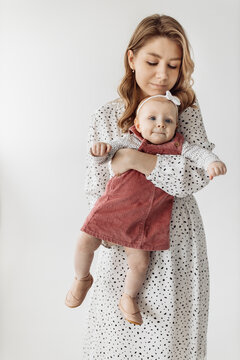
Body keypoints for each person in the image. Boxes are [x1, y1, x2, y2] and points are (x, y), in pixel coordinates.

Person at [75, 13, 226, 359]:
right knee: (116, 335)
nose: (163, 75)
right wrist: (114, 234)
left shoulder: (184, 111)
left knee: (171, 335)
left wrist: (136, 161)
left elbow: (195, 177)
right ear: (131, 59)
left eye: (173, 66)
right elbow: (95, 186)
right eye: (153, 62)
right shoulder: (105, 115)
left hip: (176, 239)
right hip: (120, 235)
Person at [65, 91, 226, 327]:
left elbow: (199, 153)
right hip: (113, 209)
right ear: (138, 124)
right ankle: (82, 277)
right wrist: (98, 151)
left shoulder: (178, 145)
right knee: (84, 241)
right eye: (152, 118)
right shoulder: (129, 140)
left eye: (168, 120)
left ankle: (128, 296)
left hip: (146, 218)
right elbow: (108, 154)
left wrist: (212, 162)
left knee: (140, 263)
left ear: (175, 127)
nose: (160, 123)